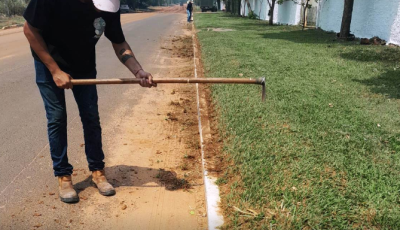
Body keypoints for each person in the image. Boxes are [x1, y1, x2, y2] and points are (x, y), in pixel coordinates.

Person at [23, 0, 156, 203]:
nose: (100, 11)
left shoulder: (110, 6)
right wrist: (55, 70)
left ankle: (97, 171)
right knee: (57, 117)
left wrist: (138, 70)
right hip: (48, 61)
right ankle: (63, 175)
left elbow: (119, 42)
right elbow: (29, 30)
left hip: (83, 63)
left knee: (91, 115)